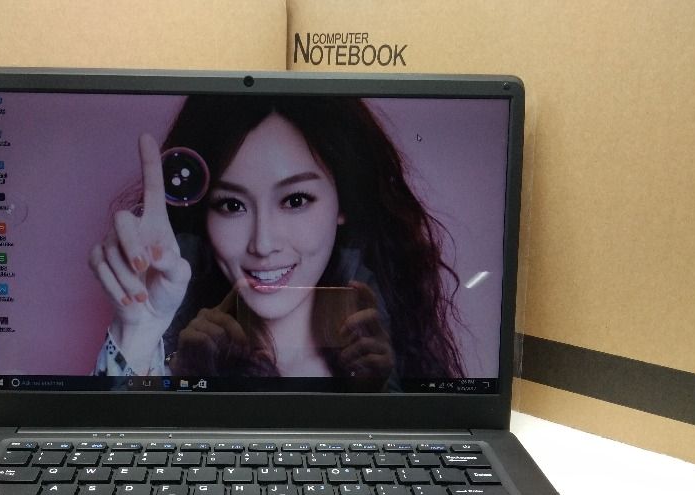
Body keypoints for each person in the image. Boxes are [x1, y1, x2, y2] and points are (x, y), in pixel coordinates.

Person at [89, 95, 462, 386]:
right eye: (231, 205)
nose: (263, 244)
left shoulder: (390, 361)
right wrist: (138, 329)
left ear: (344, 203)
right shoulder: (178, 363)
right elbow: (116, 453)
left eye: (295, 200)